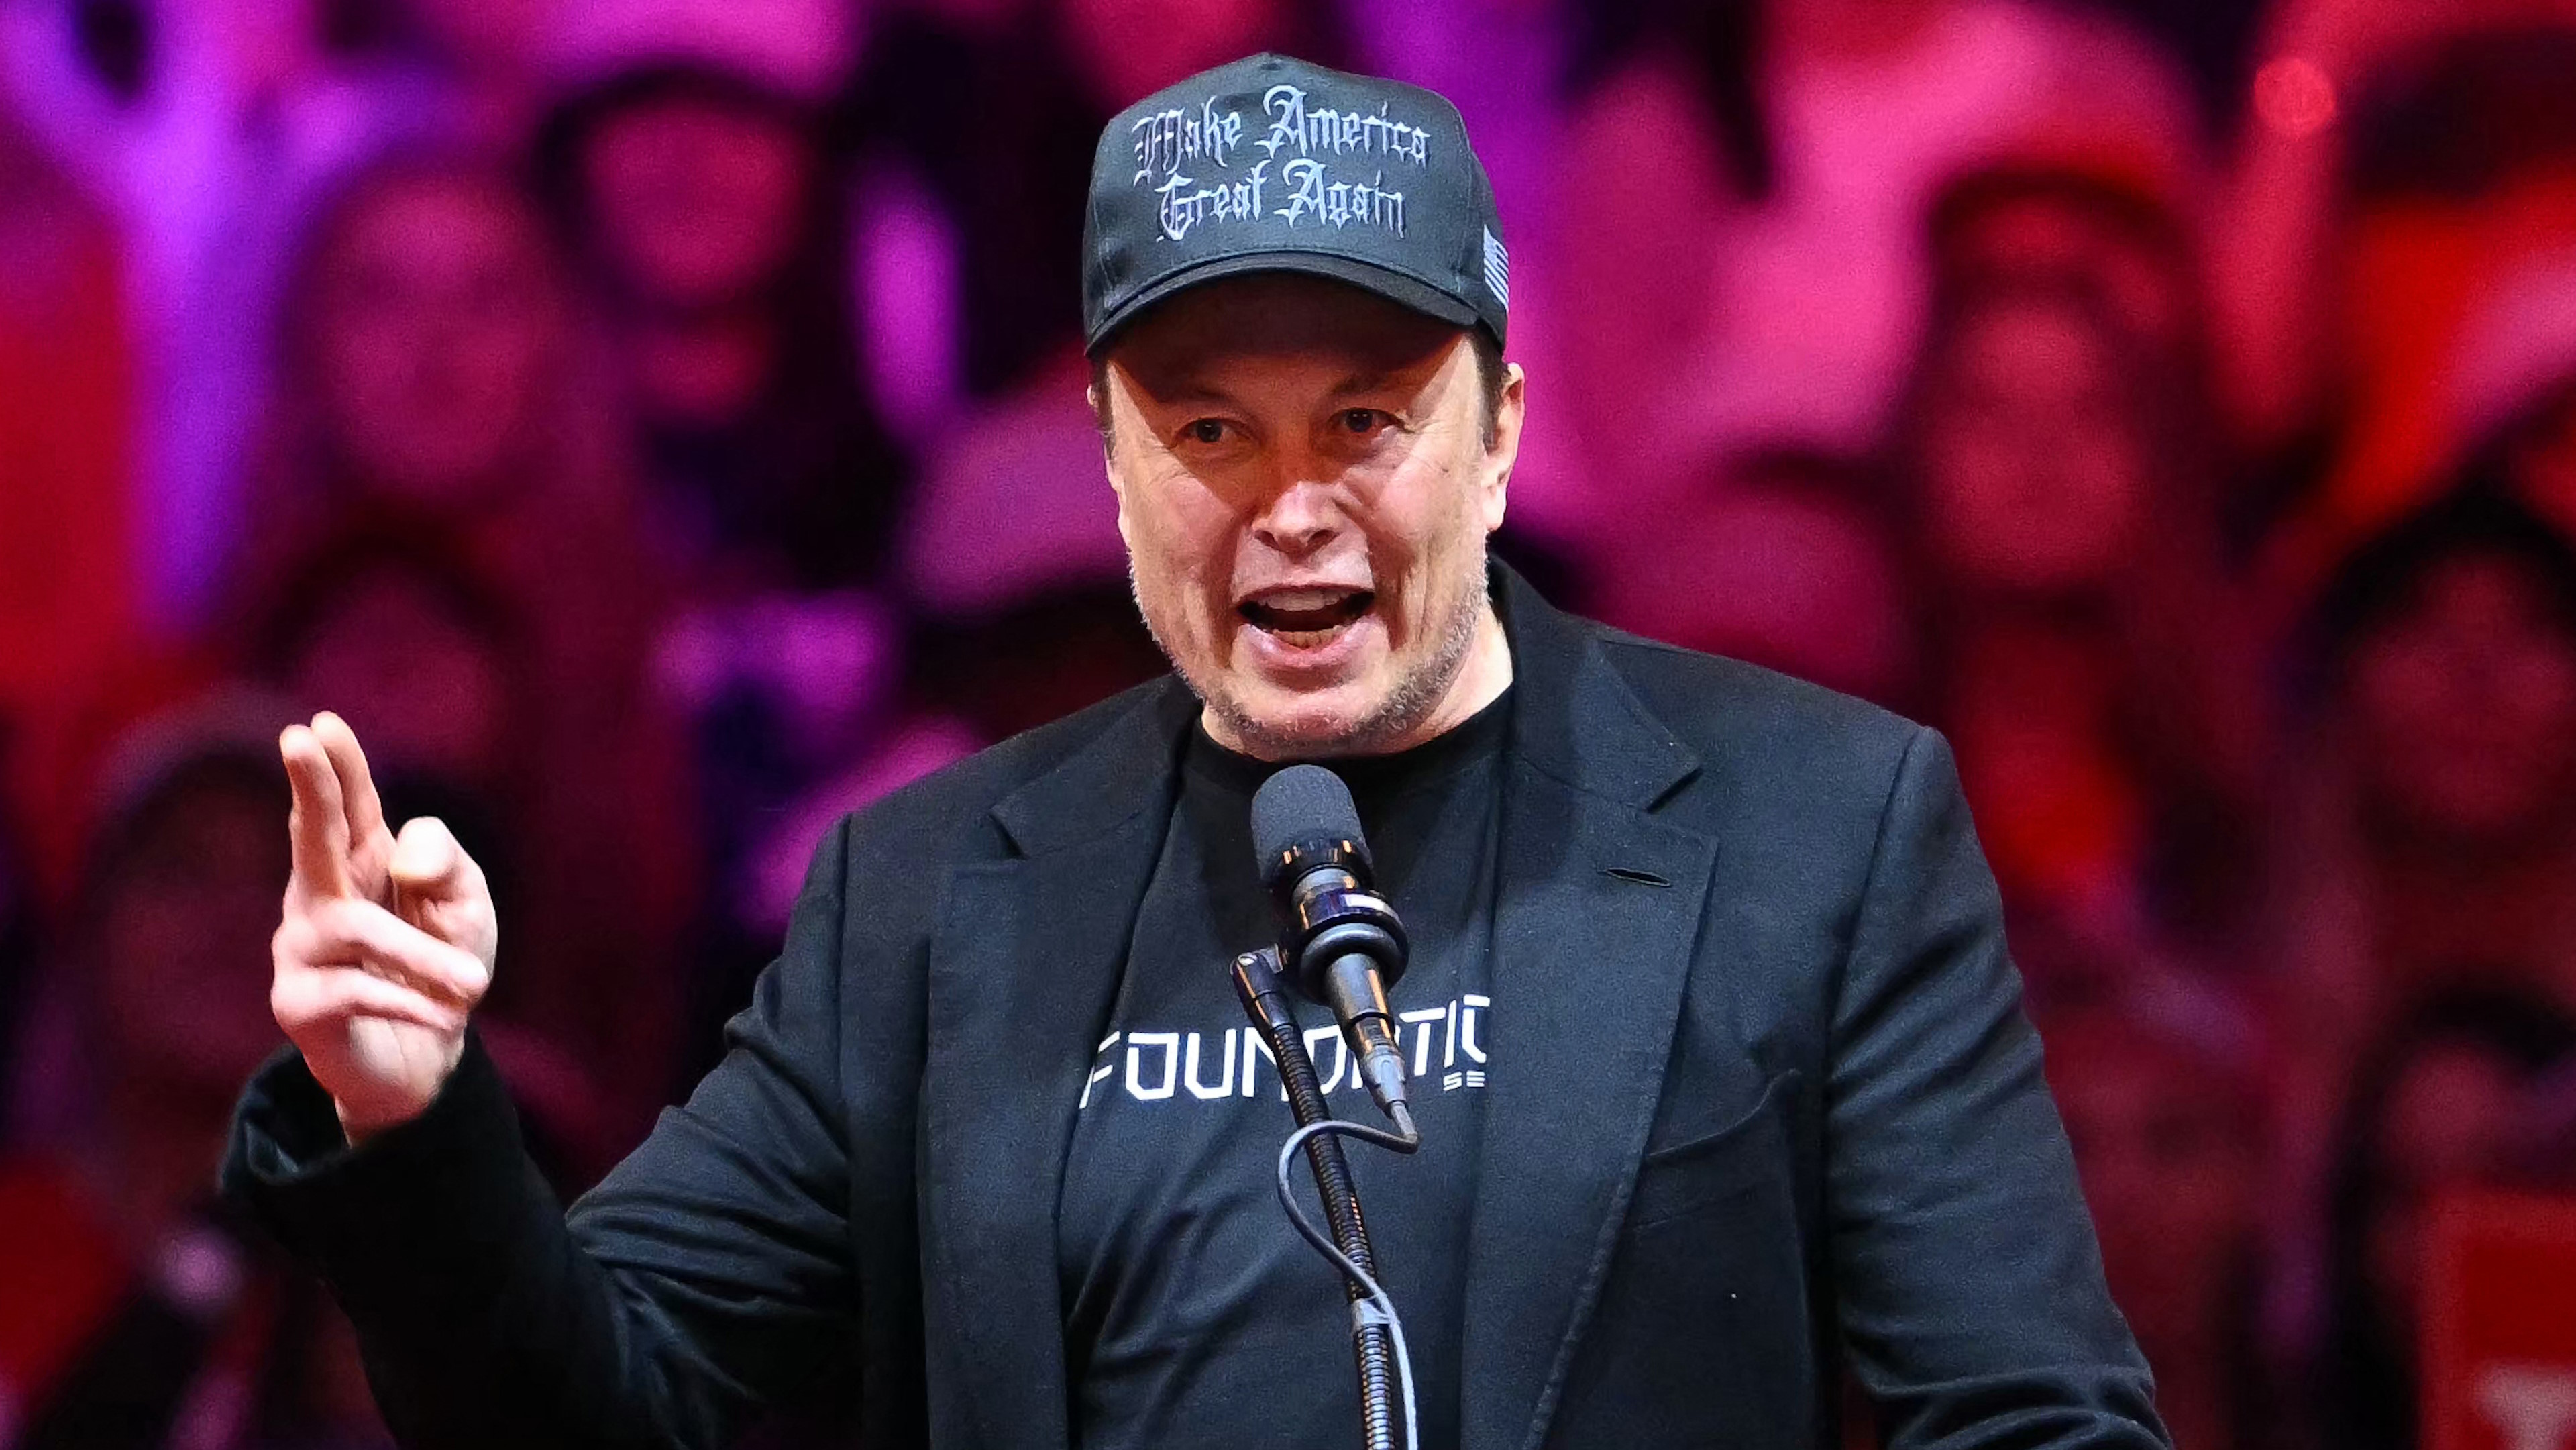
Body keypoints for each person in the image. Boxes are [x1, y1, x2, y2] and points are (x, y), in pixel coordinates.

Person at [220, 54, 2161, 1449]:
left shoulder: (1816, 825)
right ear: (1113, 458)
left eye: (1367, 421)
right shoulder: (920, 900)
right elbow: (601, 1401)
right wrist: (415, 1120)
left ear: (1498, 430)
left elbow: (2030, 1419)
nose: (1292, 505)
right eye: (1209, 427)